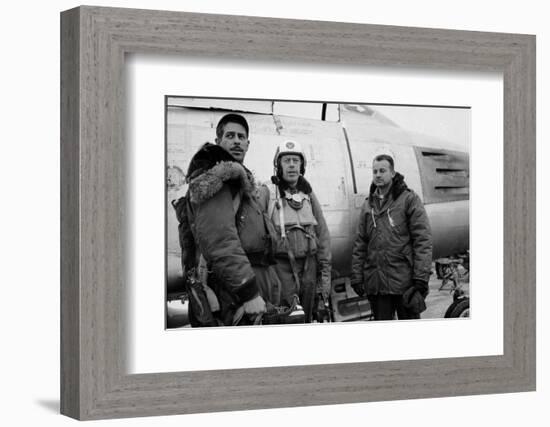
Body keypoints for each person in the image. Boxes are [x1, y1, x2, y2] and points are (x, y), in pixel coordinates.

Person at [172, 113, 281, 326]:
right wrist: (249, 293)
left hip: (245, 288)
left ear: (248, 144)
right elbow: (220, 241)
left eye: (241, 137)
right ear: (218, 141)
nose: (237, 141)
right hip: (233, 295)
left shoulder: (240, 184)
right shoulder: (216, 180)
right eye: (230, 136)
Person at [351, 154, 432, 320]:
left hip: (405, 284)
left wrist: (421, 278)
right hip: (378, 285)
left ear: (393, 173)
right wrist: (357, 277)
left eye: (382, 170)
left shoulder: (409, 200)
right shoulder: (368, 205)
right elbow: (361, 243)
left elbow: (422, 240)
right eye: (375, 171)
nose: (378, 175)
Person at [269, 140, 332, 323]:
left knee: (307, 319)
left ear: (301, 166)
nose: (291, 165)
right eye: (286, 160)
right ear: (278, 166)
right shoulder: (268, 194)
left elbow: (323, 236)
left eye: (295, 161)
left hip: (309, 270)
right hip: (281, 272)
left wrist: (324, 281)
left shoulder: (309, 197)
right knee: (285, 321)